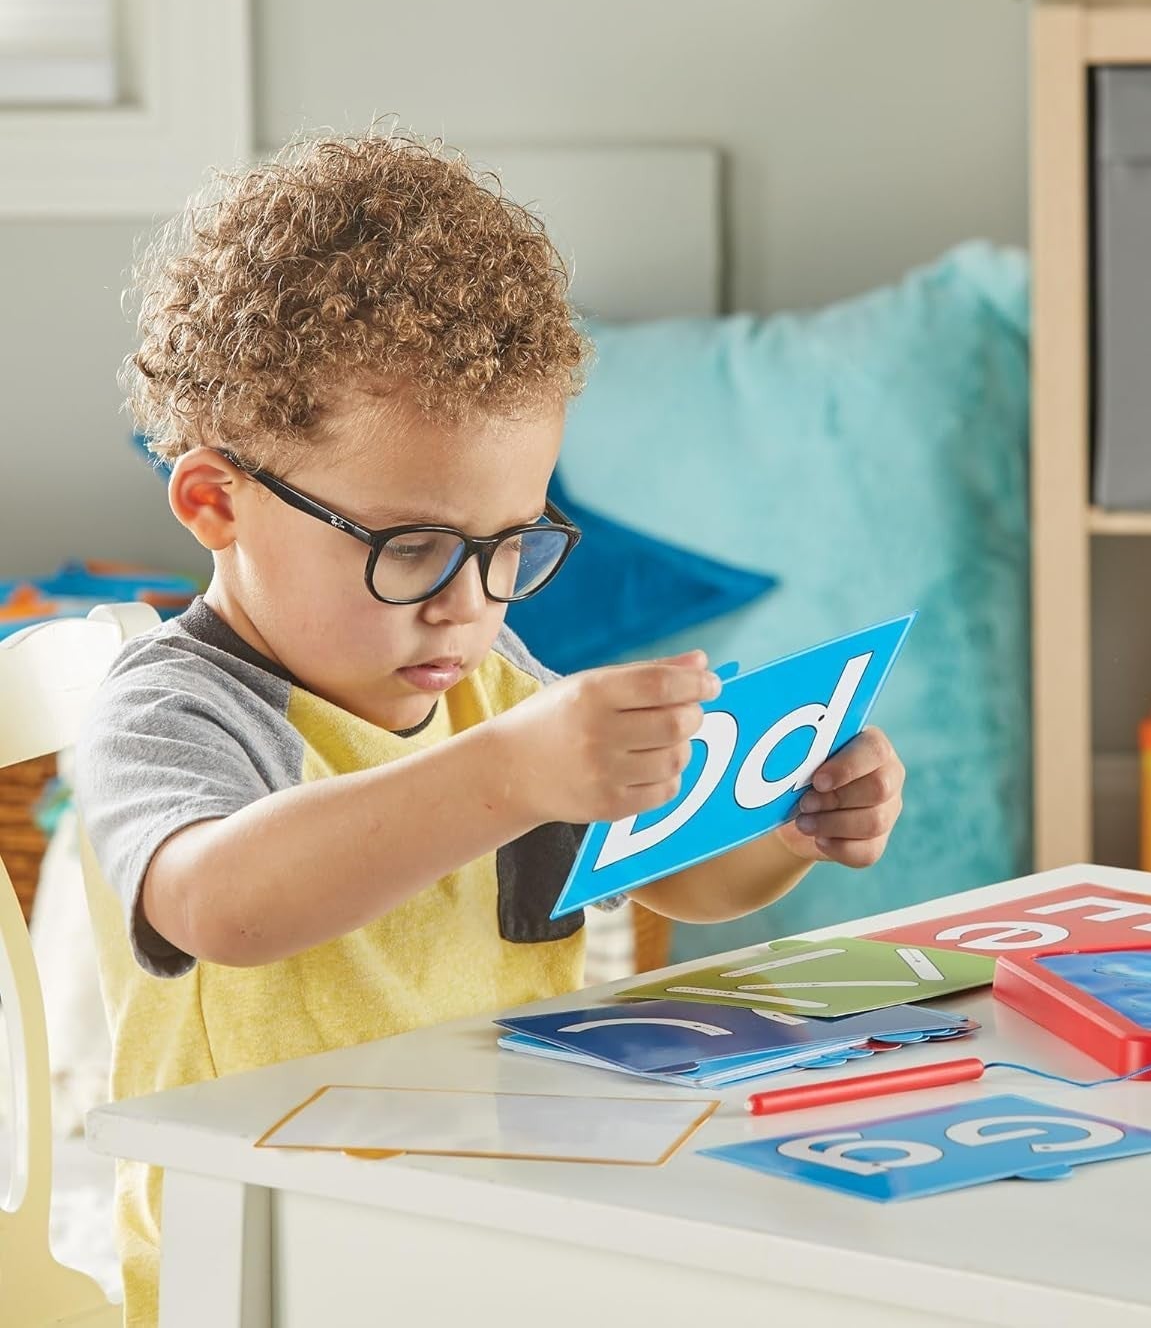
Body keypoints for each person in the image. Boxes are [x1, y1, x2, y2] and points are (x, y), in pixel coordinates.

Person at [74, 129, 907, 1327]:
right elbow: (221, 908)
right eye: (410, 548)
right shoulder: (177, 705)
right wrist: (509, 773)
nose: (469, 603)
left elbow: (675, 873)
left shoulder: (485, 674)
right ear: (217, 502)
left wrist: (790, 820)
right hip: (268, 1257)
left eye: (508, 545)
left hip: (497, 1213)